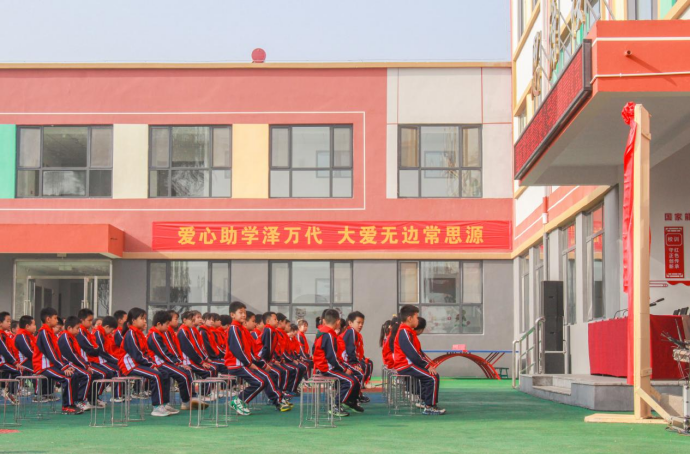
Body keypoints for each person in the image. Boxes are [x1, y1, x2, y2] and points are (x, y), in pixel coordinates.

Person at [225, 302, 290, 413]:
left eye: (244, 313)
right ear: (232, 315)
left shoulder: (241, 329)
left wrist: (258, 364)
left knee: (265, 377)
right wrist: (250, 364)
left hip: (244, 364)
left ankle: (278, 400)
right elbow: (238, 350)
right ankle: (239, 400)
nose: (243, 315)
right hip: (237, 365)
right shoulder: (234, 329)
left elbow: (249, 351)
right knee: (260, 381)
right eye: (240, 312)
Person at [119, 307, 174, 417]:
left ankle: (164, 403)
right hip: (130, 366)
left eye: (145, 318)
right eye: (142, 318)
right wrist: (152, 365)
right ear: (133, 320)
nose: (145, 321)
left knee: (165, 373)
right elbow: (137, 355)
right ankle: (157, 407)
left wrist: (152, 364)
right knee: (156, 375)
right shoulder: (131, 334)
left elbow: (145, 353)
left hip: (138, 364)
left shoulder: (138, 334)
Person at [147, 310, 205, 412]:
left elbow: (170, 351)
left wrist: (178, 362)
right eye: (167, 323)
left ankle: (183, 400)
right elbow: (164, 353)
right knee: (182, 375)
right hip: (160, 363)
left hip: (165, 362)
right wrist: (178, 363)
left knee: (185, 372)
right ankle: (184, 401)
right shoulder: (155, 335)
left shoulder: (160, 334)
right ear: (159, 324)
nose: (168, 326)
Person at [393, 305, 445, 416]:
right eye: (416, 317)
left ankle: (426, 401)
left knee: (432, 376)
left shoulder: (408, 332)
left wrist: (428, 364)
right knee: (432, 377)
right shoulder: (404, 332)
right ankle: (429, 407)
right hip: (406, 366)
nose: (418, 320)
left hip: (409, 364)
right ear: (409, 318)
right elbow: (412, 354)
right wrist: (426, 366)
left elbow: (418, 352)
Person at [313, 309, 363, 417]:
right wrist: (344, 369)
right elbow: (332, 358)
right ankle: (335, 405)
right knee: (350, 381)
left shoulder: (325, 333)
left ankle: (350, 401)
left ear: (324, 321)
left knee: (357, 375)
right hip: (327, 368)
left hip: (329, 366)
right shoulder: (328, 335)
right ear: (338, 321)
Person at [33, 307, 82, 415]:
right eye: (55, 318)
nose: (57, 320)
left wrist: (66, 365)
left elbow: (57, 354)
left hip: (51, 365)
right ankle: (66, 406)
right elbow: (51, 353)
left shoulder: (50, 333)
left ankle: (73, 403)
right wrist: (63, 368)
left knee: (74, 374)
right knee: (67, 378)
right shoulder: (44, 333)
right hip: (43, 367)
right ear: (48, 319)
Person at [57, 316, 102, 411]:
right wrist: (85, 366)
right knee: (87, 375)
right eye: (77, 328)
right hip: (67, 363)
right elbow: (72, 356)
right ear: (69, 328)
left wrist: (86, 365)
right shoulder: (65, 337)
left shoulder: (71, 337)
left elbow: (77, 354)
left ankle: (91, 399)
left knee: (95, 374)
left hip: (72, 362)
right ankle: (79, 400)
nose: (78, 331)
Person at [76, 309, 119, 401]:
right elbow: (94, 349)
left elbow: (96, 349)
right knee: (104, 373)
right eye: (89, 320)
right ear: (81, 320)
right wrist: (115, 360)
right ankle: (90, 398)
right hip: (89, 361)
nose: (91, 323)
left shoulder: (86, 332)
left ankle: (94, 397)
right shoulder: (83, 332)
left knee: (109, 372)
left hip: (91, 361)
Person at [93, 316, 125, 402]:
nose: (112, 332)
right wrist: (115, 360)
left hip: (104, 359)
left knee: (119, 368)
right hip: (98, 360)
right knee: (116, 370)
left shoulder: (104, 334)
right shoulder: (98, 334)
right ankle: (115, 396)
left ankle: (97, 396)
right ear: (107, 327)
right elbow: (101, 352)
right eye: (111, 330)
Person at [342, 311, 371, 403]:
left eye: (362, 323)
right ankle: (352, 398)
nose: (361, 325)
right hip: (345, 362)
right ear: (350, 323)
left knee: (364, 367)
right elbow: (350, 350)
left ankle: (356, 396)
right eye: (358, 322)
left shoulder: (353, 333)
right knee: (360, 373)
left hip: (347, 361)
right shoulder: (351, 331)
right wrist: (355, 363)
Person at [0, 311, 21, 405]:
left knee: (11, 371)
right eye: (7, 321)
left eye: (10, 321)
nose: (9, 323)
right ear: (0, 323)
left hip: (4, 362)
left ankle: (6, 390)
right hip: (2, 362)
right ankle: (10, 393)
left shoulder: (4, 334)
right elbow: (4, 350)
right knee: (17, 370)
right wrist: (14, 362)